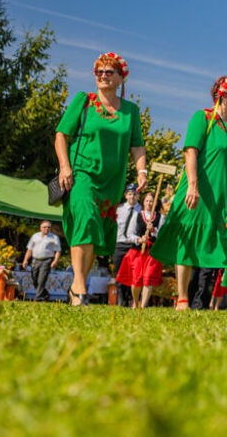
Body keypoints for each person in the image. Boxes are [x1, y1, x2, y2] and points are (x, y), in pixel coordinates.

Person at [150, 75, 227, 313]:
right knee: (189, 241)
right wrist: (192, 185)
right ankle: (182, 298)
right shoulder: (203, 118)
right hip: (199, 193)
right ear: (223, 96)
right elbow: (191, 151)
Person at [54, 52, 147, 306]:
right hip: (81, 174)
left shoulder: (130, 111)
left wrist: (142, 171)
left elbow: (137, 146)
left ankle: (77, 283)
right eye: (99, 72)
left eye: (109, 72)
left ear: (120, 79)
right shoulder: (84, 101)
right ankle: (80, 286)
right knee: (85, 218)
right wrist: (65, 167)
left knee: (94, 229)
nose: (103, 76)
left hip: (111, 181)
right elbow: (62, 134)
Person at [116, 192, 164, 308]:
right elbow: (130, 234)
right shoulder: (137, 215)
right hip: (138, 252)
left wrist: (153, 230)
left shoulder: (160, 217)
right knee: (136, 280)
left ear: (155, 203)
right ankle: (135, 301)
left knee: (148, 278)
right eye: (147, 201)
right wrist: (139, 239)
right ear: (143, 202)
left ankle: (142, 306)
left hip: (152, 253)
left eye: (151, 201)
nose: (149, 203)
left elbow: (162, 236)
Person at [113, 185, 142, 307]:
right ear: (125, 195)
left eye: (135, 194)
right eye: (130, 194)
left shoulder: (142, 210)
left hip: (134, 245)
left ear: (138, 196)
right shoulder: (119, 209)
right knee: (119, 274)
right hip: (120, 244)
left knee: (134, 275)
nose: (132, 196)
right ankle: (121, 300)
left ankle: (134, 301)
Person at [22, 221, 62, 302]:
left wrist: (55, 261)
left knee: (41, 280)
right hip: (35, 260)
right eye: (44, 227)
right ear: (41, 228)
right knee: (34, 279)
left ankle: (37, 298)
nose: (47, 229)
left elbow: (58, 251)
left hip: (47, 261)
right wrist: (25, 260)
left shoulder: (54, 237)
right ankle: (45, 294)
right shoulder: (35, 236)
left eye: (48, 227)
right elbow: (29, 249)